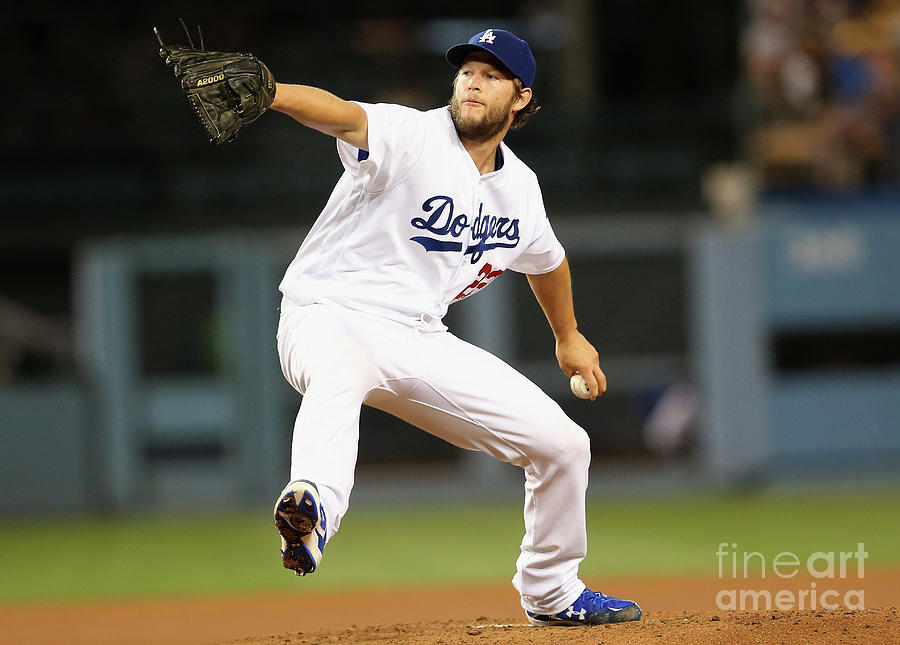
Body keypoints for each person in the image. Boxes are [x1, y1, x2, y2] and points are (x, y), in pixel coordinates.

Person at [269, 28, 642, 626]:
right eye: (467, 70)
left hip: (417, 336)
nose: (473, 81)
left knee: (565, 446)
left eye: (491, 75)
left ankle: (552, 592)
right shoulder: (413, 134)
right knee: (337, 376)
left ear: (520, 98)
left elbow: (547, 261)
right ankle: (311, 512)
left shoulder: (518, 187)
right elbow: (339, 115)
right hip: (326, 313)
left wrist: (567, 336)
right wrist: (271, 92)